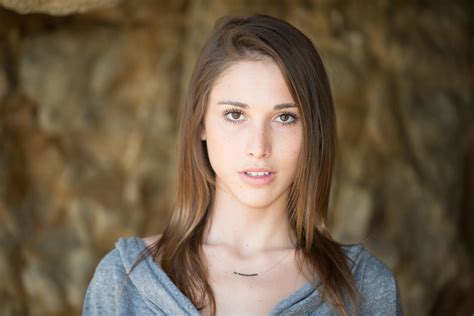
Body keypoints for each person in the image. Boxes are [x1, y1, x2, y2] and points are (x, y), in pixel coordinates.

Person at [83, 14, 403, 316]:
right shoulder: (121, 283)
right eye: (235, 115)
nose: (258, 148)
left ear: (313, 131)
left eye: (284, 117)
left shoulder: (364, 290)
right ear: (201, 124)